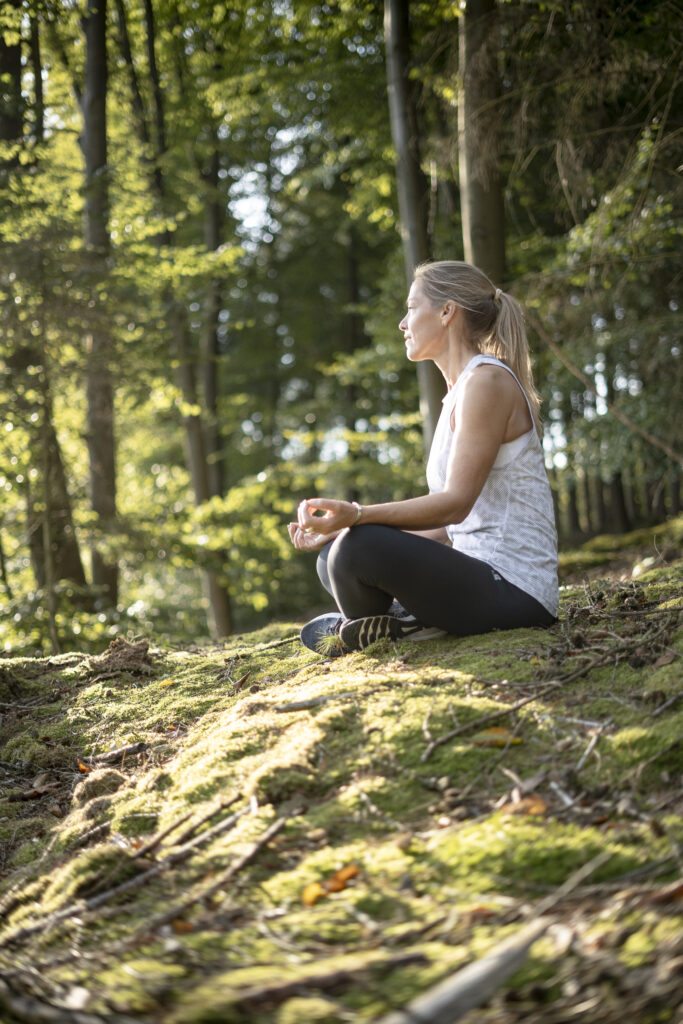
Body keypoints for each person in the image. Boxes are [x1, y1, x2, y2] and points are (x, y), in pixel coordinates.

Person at [288, 260, 558, 654]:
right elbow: (450, 531)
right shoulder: (460, 393)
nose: (402, 323)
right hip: (482, 582)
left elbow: (455, 506)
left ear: (447, 312)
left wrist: (359, 515)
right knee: (335, 552)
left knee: (356, 549)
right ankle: (404, 623)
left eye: (412, 308)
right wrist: (342, 527)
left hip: (517, 592)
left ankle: (401, 623)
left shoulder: (487, 381)